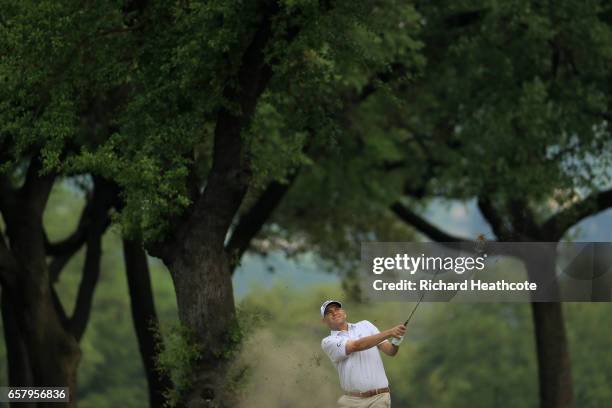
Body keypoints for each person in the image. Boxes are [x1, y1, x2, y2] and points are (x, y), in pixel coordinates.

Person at [320, 299, 406, 408]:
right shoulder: (328, 342)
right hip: (352, 401)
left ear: (344, 313)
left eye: (337, 309)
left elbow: (390, 351)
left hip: (379, 398)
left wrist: (398, 338)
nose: (334, 313)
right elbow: (356, 346)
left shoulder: (366, 325)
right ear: (324, 321)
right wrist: (390, 332)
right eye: (328, 312)